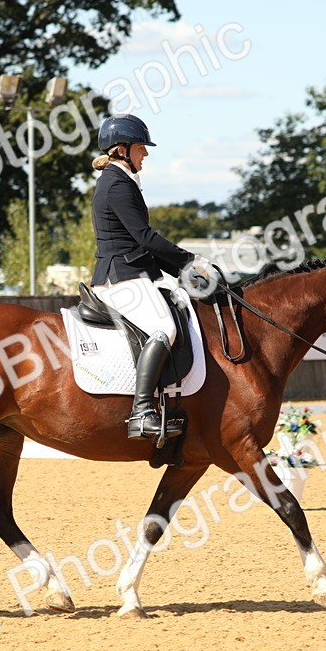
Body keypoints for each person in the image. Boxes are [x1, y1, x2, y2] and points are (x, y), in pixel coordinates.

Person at [90, 113, 220, 439]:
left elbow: (145, 247)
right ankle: (142, 411)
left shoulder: (120, 181)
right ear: (122, 150)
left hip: (132, 271)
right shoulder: (117, 184)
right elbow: (146, 239)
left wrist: (185, 273)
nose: (145, 153)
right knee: (164, 327)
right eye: (140, 148)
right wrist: (192, 261)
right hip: (122, 276)